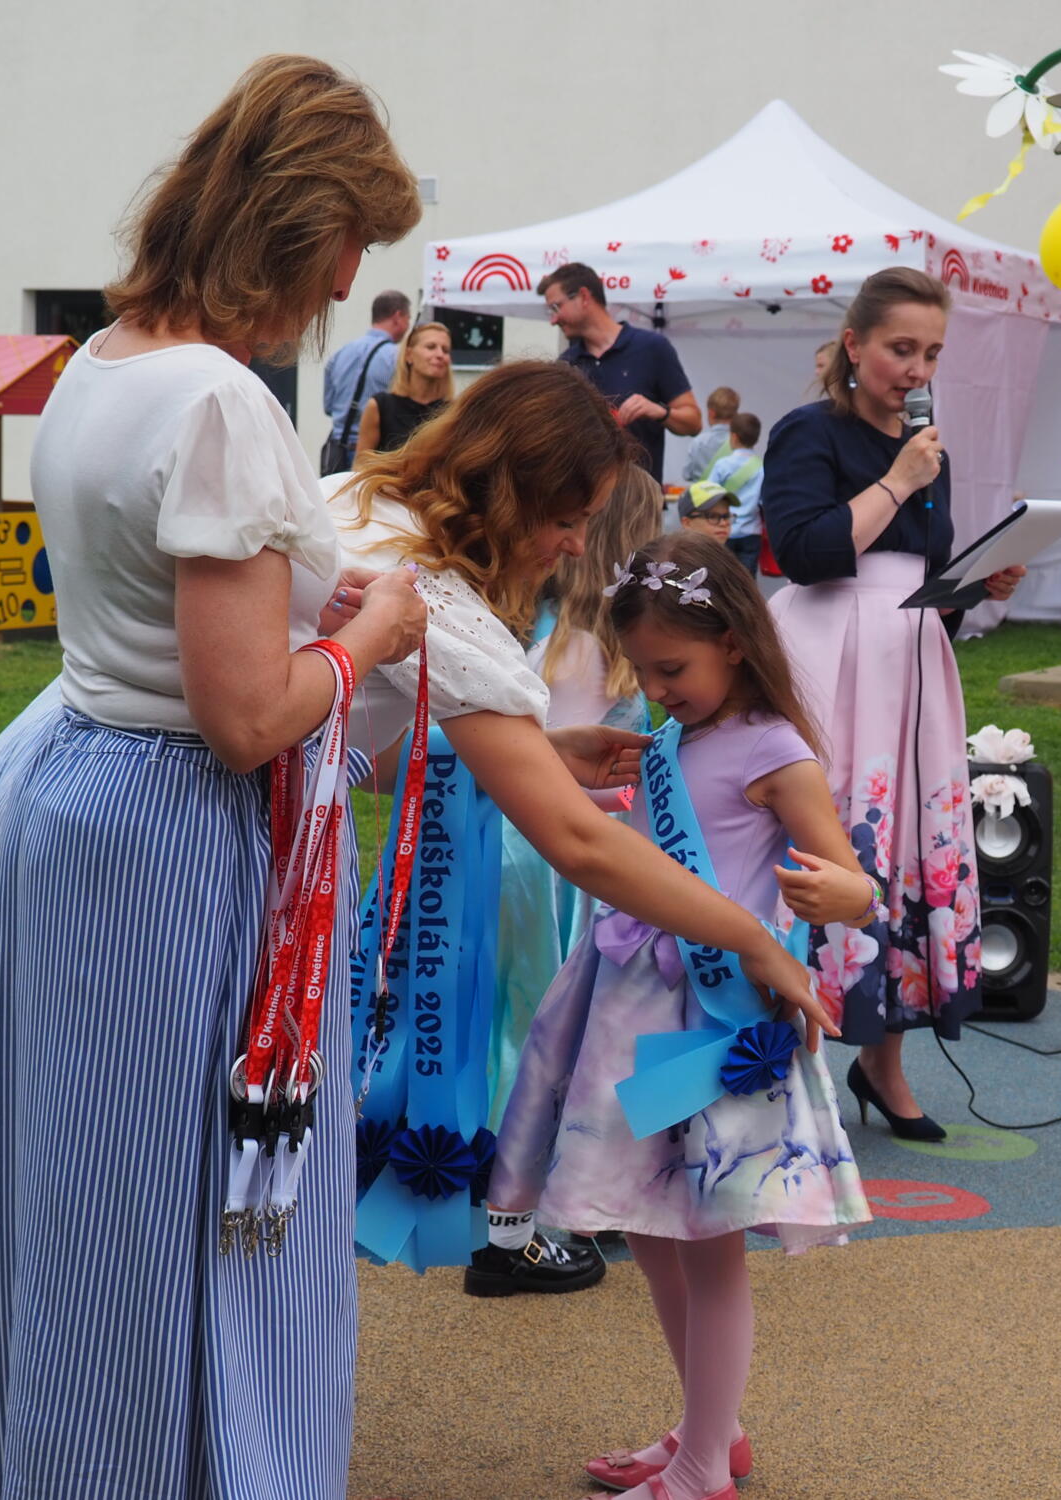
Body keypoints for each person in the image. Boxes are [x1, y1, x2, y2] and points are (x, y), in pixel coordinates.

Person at [0, 56, 430, 1500]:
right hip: (174, 829)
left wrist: (302, 608)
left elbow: (155, 605)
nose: (344, 286)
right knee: (195, 1211)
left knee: (95, 1203)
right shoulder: (218, 402)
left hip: (83, 794)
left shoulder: (103, 361)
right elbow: (244, 717)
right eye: (345, 246)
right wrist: (368, 634)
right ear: (293, 225)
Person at [332, 362, 829, 1300]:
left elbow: (371, 753)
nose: (573, 547)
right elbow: (583, 844)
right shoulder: (436, 598)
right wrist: (758, 940)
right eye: (567, 518)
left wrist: (543, 751)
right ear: (510, 489)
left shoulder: (352, 506)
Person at [489, 531, 880, 1500]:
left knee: (708, 1245)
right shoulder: (672, 739)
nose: (659, 690)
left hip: (712, 1019)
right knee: (653, 1227)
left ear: (734, 643)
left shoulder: (776, 750)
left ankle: (704, 1468)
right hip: (631, 1006)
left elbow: (852, 880)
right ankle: (711, 1429)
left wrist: (842, 895)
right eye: (647, 671)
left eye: (673, 669)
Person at [760, 267, 1024, 1139]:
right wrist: (900, 481)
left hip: (912, 665)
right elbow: (806, 551)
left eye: (932, 353)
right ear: (854, 345)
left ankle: (884, 1061)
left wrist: (977, 585)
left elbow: (923, 580)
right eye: (901, 349)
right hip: (830, 656)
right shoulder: (811, 433)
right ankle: (782, 1059)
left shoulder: (926, 450)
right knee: (831, 834)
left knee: (907, 845)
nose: (917, 370)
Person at [492, 465, 665, 1126]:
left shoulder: (545, 627)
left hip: (525, 842)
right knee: (545, 1007)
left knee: (514, 1005)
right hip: (561, 857)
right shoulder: (601, 651)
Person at [541, 262, 700, 478]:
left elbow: (693, 423)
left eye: (556, 307)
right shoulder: (566, 365)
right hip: (585, 496)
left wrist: (658, 411)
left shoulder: (652, 348)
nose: (553, 320)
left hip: (640, 497)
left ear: (584, 296)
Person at [323, 288, 409, 467]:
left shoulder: (341, 353)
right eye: (408, 318)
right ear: (398, 317)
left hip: (336, 452)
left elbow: (328, 406)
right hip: (373, 453)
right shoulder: (397, 357)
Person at [354, 320, 452, 459]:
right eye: (431, 347)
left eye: (445, 350)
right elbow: (361, 463)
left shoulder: (453, 412)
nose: (440, 354)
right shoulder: (380, 406)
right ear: (408, 355)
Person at [707, 413, 764, 576]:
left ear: (734, 437)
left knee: (722, 576)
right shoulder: (762, 467)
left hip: (724, 528)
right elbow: (764, 501)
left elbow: (709, 495)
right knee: (746, 579)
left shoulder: (722, 465)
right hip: (751, 531)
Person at [680, 386, 738, 482]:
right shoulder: (740, 442)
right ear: (735, 414)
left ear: (711, 413)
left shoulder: (698, 442)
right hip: (732, 491)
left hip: (702, 491)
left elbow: (687, 474)